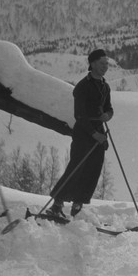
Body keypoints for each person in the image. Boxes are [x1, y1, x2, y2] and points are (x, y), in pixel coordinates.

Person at [46, 49, 114, 220]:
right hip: (84, 132)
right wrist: (94, 134)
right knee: (77, 167)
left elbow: (109, 108)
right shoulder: (83, 86)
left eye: (106, 63)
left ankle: (78, 205)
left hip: (98, 130)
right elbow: (79, 115)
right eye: (101, 63)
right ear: (92, 64)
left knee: (93, 169)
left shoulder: (105, 86)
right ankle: (57, 204)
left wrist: (108, 115)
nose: (105, 67)